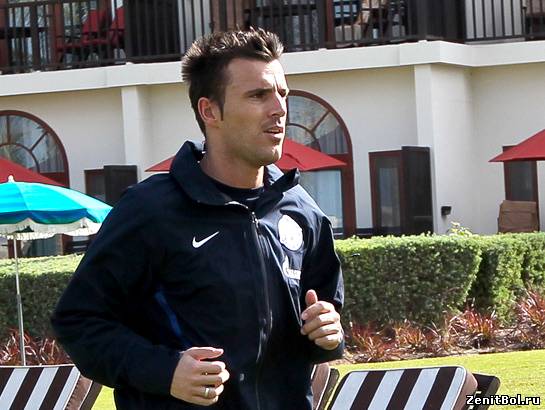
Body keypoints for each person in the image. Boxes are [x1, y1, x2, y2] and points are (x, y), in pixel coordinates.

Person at [51, 28, 344, 409]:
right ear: (210, 111)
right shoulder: (150, 211)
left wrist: (329, 333)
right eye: (258, 95)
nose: (279, 108)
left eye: (282, 93)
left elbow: (323, 320)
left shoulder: (302, 210)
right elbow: (78, 321)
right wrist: (165, 371)